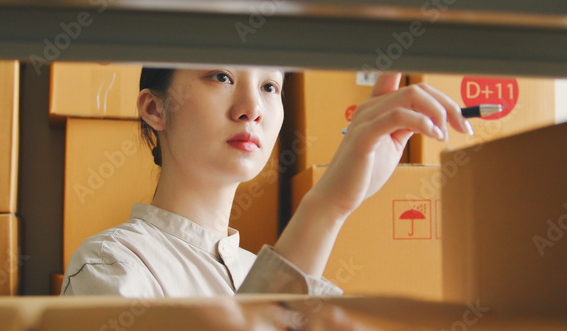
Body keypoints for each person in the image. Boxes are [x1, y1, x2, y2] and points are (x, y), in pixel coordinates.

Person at [60, 66, 473, 298]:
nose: (252, 108)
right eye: (221, 77)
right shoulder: (113, 265)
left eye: (269, 86)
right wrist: (326, 206)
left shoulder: (260, 271)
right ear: (155, 108)